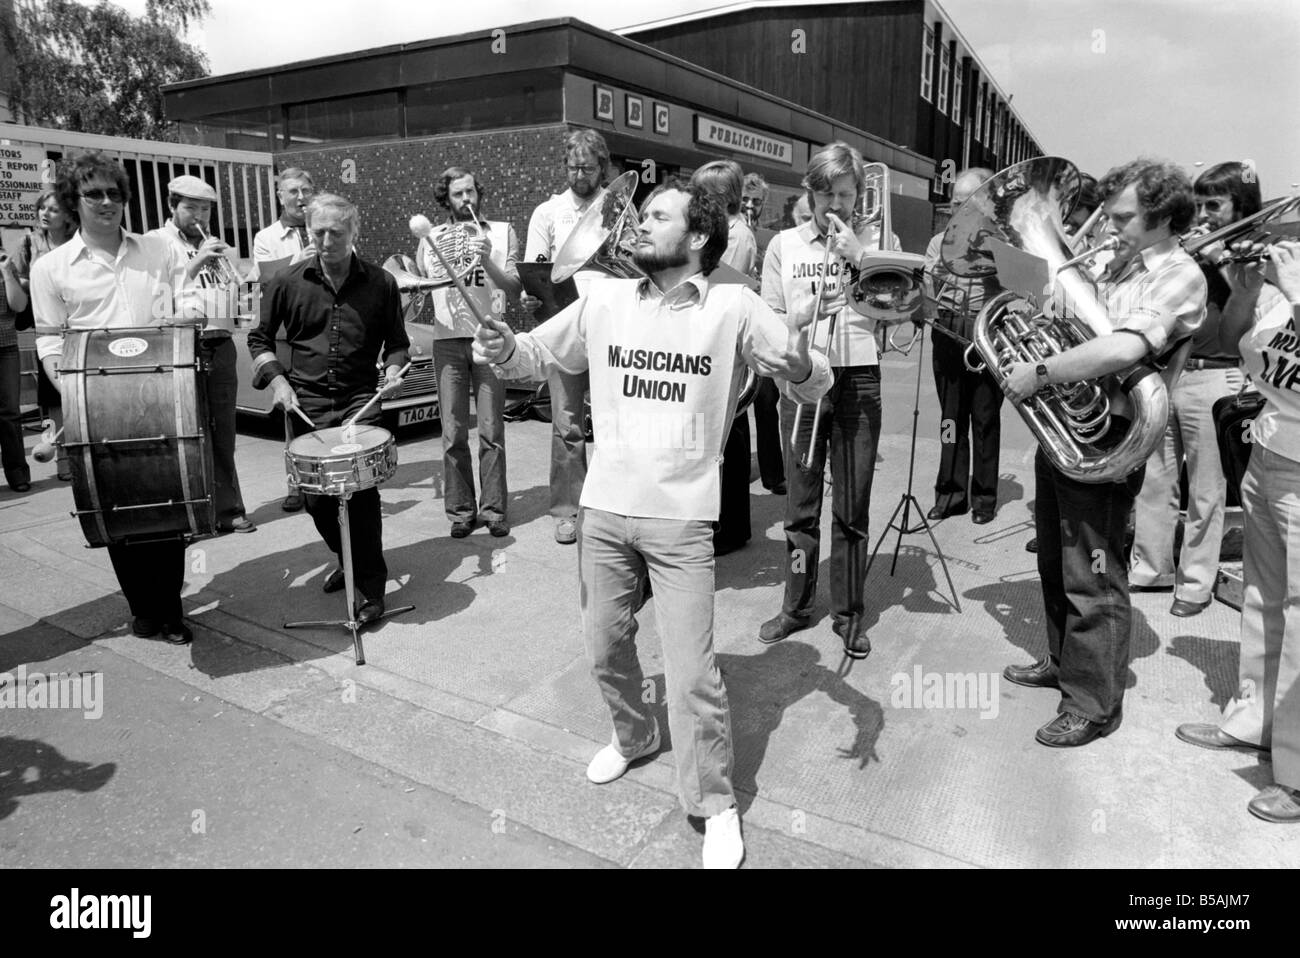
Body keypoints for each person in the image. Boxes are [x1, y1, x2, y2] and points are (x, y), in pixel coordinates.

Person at [473, 179, 831, 869]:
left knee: (694, 675)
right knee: (605, 649)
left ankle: (714, 802)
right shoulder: (603, 297)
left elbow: (814, 383)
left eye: (658, 215)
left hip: (682, 519)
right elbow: (534, 359)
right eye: (641, 214)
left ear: (697, 237)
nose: (639, 223)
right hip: (604, 509)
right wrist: (501, 347)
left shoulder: (733, 303)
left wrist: (803, 368)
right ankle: (634, 735)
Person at [1001, 158, 1206, 748]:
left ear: (1163, 216)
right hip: (1068, 425)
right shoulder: (1121, 264)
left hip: (1110, 434)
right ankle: (1065, 663)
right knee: (1055, 559)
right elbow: (1079, 328)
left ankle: (1093, 704)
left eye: (1122, 217)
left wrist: (1040, 369)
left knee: (1092, 570)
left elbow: (1122, 348)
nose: (1107, 227)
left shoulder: (1179, 274)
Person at [29, 151, 197, 644]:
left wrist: (186, 315)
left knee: (167, 495)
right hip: (92, 401)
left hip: (160, 391)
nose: (107, 202)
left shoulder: (158, 251)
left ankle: (171, 607)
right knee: (115, 506)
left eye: (114, 193)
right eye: (94, 194)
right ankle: (142, 608)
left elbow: (185, 300)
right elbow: (48, 340)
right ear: (73, 201)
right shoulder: (51, 267)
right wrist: (76, 392)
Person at [1175, 239, 1300, 822]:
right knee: (1262, 598)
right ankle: (1254, 722)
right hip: (1268, 452)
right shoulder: (1283, 283)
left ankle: (1296, 776)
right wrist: (1249, 286)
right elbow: (1232, 345)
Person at [758, 141, 896, 660]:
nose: (838, 205)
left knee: (853, 506)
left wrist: (861, 260)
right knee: (799, 505)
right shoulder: (784, 246)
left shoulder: (877, 240)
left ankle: (849, 614)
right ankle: (795, 606)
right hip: (804, 374)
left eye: (846, 193)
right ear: (810, 193)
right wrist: (802, 316)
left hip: (859, 374)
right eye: (828, 195)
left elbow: (901, 310)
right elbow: (769, 318)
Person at [248, 193, 409, 626]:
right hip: (308, 403)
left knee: (360, 494)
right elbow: (258, 339)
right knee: (318, 500)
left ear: (354, 233)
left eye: (336, 232)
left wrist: (394, 371)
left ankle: (371, 588)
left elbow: (397, 344)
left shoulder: (380, 283)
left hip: (360, 402)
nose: (325, 240)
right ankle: (347, 559)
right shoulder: (286, 280)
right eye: (317, 232)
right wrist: (278, 381)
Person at [1128, 162, 1258, 616]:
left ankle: (1196, 584)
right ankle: (1150, 568)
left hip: (1218, 376)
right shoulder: (1188, 249)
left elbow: (1258, 314)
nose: (1204, 213)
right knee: (1156, 478)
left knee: (1207, 490)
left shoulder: (1252, 250)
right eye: (1199, 204)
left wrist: (1223, 257)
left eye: (1214, 204)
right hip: (1172, 372)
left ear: (1238, 206)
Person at [148, 175, 255, 534]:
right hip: (180, 343)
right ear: (171, 206)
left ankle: (229, 508)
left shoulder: (217, 245)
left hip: (219, 342)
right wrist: (194, 264)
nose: (199, 215)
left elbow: (233, 298)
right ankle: (189, 515)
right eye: (190, 207)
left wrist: (238, 286)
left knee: (223, 432)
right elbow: (154, 296)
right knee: (186, 434)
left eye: (205, 208)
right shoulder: (155, 244)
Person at [421, 166, 520, 538]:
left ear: (479, 194)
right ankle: (461, 510)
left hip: (489, 338)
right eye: (457, 194)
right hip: (447, 341)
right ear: (445, 199)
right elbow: (422, 283)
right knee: (453, 431)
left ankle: (494, 510)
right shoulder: (429, 235)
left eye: (470, 193)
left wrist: (489, 258)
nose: (466, 200)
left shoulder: (501, 231)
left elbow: (513, 288)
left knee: (492, 430)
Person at [523, 130, 610, 545]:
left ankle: (613, 506)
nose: (580, 174)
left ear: (601, 168)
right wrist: (531, 290)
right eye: (573, 167)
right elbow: (536, 266)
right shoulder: (548, 212)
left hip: (613, 325)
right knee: (567, 424)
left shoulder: (617, 207)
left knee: (616, 423)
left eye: (588, 168)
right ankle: (568, 509)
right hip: (565, 324)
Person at [923, 167, 1003, 524]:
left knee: (985, 418)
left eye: (965, 203)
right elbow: (926, 293)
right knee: (950, 418)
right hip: (948, 327)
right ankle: (951, 493)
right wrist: (934, 280)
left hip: (987, 330)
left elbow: (1019, 292)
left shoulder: (1001, 242)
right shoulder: (938, 243)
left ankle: (984, 497)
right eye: (954, 203)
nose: (957, 210)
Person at [692, 159, 760, 554]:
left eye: (703, 194)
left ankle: (733, 528)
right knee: (725, 435)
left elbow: (728, 284)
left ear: (721, 197)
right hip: (715, 339)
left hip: (727, 342)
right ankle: (725, 521)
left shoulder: (737, 235)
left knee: (732, 437)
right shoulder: (722, 230)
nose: (697, 200)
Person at [252, 167, 317, 512]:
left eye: (306, 190)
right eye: (293, 191)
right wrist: (297, 260)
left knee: (318, 408)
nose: (300, 197)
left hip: (317, 330)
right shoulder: (266, 237)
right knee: (292, 411)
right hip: (286, 333)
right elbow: (265, 281)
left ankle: (322, 478)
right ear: (280, 196)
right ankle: (295, 484)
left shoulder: (322, 228)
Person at [16, 189, 78, 481]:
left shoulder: (79, 242)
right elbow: (16, 280)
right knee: (55, 397)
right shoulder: (29, 242)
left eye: (53, 209)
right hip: (50, 329)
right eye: (42, 208)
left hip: (79, 326)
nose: (45, 214)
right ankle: (64, 459)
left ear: (67, 215)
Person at [741, 172, 785, 496]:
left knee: (767, 401)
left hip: (762, 324)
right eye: (745, 199)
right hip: (735, 322)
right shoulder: (731, 231)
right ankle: (739, 471)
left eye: (756, 201)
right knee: (736, 404)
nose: (750, 205)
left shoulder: (769, 237)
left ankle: (773, 474)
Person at [0, 245, 31, 493]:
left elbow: (19, 306)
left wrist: (7, 273)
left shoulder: (7, 265)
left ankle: (18, 473)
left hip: (6, 347)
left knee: (10, 413)